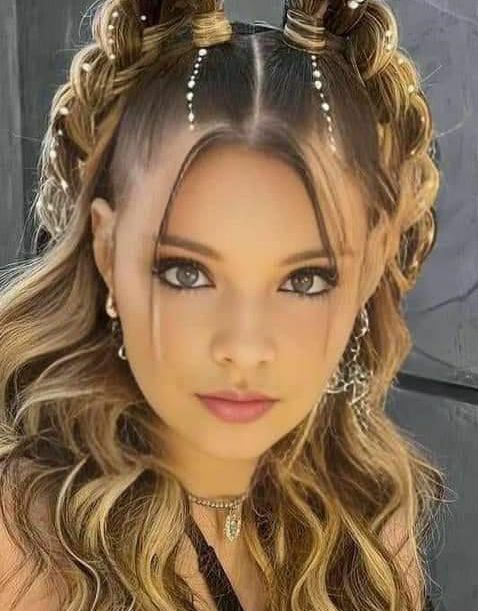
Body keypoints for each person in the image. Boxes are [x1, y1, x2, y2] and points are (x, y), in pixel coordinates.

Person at [0, 0, 447, 609]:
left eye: (305, 280)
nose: (243, 346)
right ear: (107, 252)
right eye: (186, 273)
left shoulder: (371, 524)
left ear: (368, 270)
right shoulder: (23, 544)